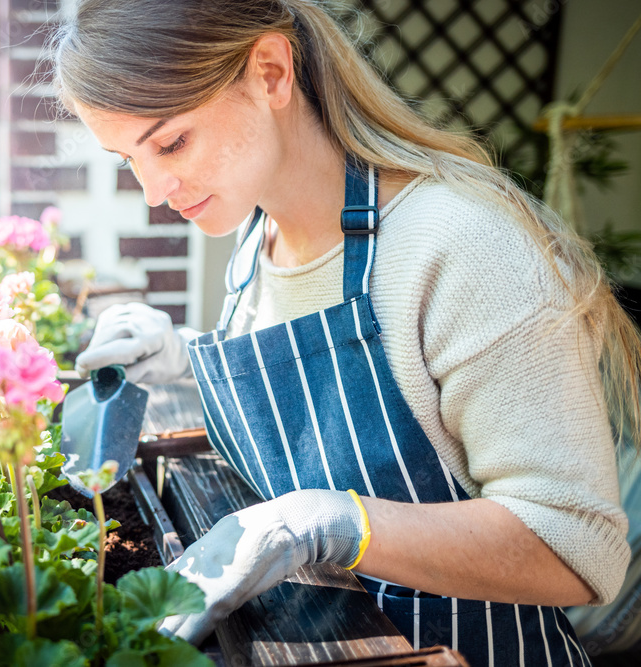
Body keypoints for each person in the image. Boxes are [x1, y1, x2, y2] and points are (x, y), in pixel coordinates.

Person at [50, 1, 641, 664]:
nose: (154, 190)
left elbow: (576, 548)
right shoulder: (255, 240)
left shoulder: (460, 244)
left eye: (171, 142)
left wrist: (328, 523)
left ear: (271, 73)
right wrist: (182, 354)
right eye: (127, 157)